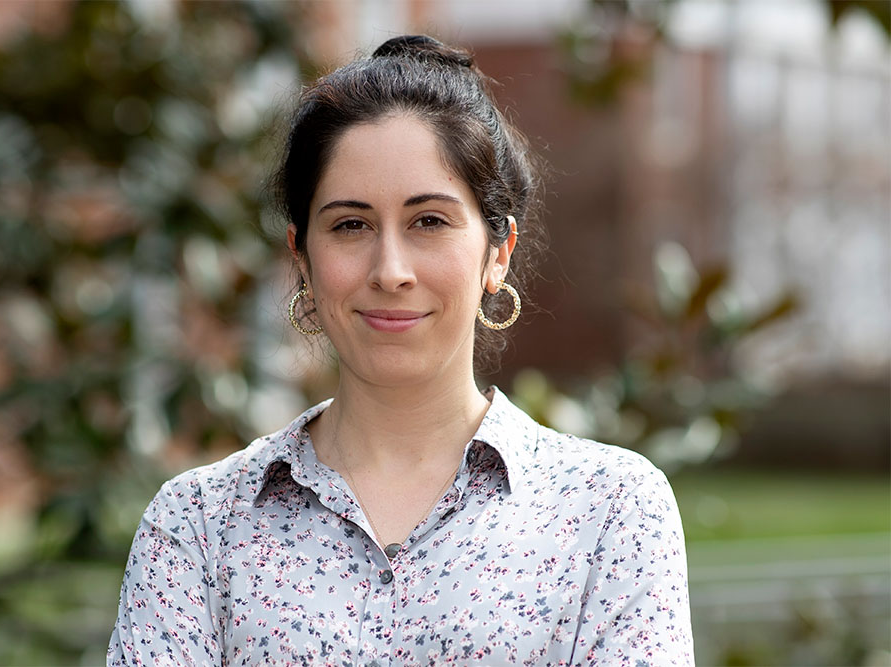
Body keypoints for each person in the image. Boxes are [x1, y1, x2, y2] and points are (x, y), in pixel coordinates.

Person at [108, 35, 693, 666]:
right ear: (302, 256)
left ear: (498, 253)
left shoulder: (610, 510)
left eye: (429, 221)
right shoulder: (198, 527)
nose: (390, 271)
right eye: (351, 225)